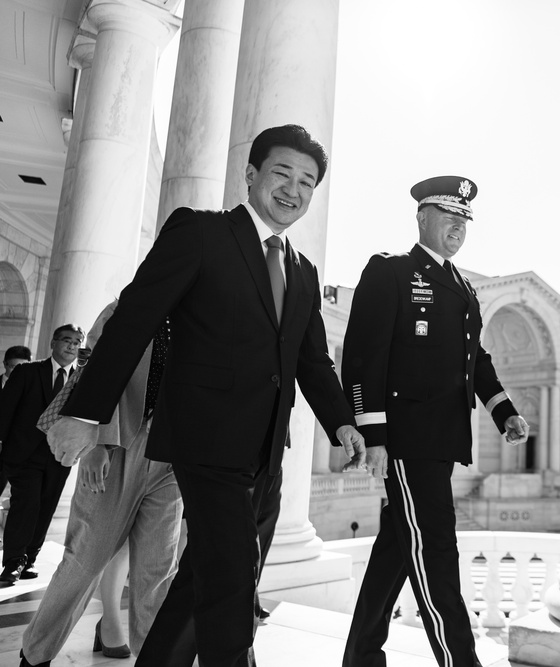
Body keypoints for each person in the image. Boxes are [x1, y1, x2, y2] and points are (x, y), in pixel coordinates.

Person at [46, 124, 364, 667]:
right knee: (232, 581)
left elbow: (311, 360)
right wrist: (84, 412)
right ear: (251, 175)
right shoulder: (199, 233)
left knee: (204, 575)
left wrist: (341, 422)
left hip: (266, 453)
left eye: (307, 182)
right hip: (204, 440)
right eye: (281, 173)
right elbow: (135, 320)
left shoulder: (303, 271)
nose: (293, 190)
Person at [341, 175, 529, 667]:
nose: (458, 226)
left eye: (464, 219)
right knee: (437, 553)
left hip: (442, 440)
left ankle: (360, 658)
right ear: (422, 217)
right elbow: (362, 357)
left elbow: (476, 360)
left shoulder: (463, 288)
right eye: (448, 215)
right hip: (406, 439)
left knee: (398, 549)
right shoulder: (392, 272)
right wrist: (374, 434)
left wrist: (503, 410)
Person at [18, 301, 183, 667]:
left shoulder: (204, 309)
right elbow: (94, 369)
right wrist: (96, 442)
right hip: (117, 443)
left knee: (157, 571)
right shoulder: (129, 303)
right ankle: (34, 655)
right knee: (85, 562)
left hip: (172, 452)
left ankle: (152, 659)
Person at [0, 324, 84, 586]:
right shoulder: (27, 371)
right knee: (26, 505)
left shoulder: (83, 379)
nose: (71, 346)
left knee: (46, 507)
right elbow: (5, 410)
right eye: (66, 340)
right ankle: (13, 563)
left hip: (59, 455)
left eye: (77, 342)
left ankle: (29, 560)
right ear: (53, 343)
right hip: (25, 454)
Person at [0, 345, 33, 501]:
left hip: (17, 450)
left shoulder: (33, 392)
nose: (17, 372)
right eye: (13, 367)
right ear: (5, 364)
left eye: (22, 367)